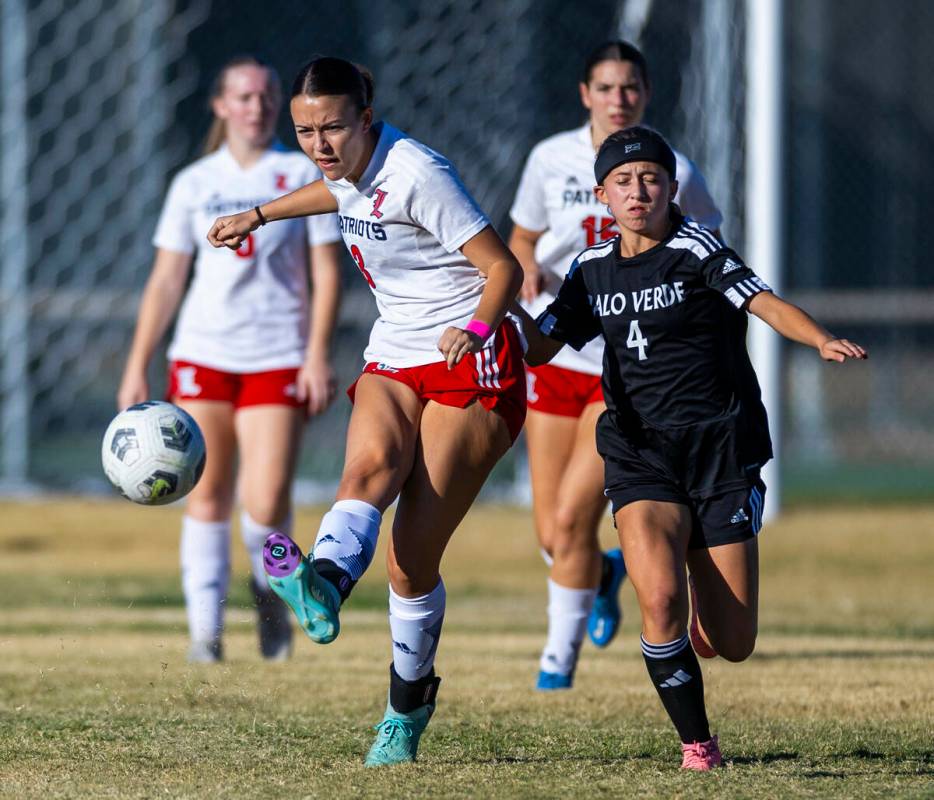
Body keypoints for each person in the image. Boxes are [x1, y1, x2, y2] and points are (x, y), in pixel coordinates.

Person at [206, 56, 526, 767]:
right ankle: (322, 587)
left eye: (333, 129)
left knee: (410, 560)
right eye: (305, 131)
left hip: (471, 361)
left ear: (367, 122)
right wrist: (256, 214)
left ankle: (405, 712)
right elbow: (336, 194)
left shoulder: (418, 172)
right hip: (395, 353)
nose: (320, 144)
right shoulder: (342, 168)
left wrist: (472, 331)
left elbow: (504, 268)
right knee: (367, 470)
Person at [518, 125, 866, 769]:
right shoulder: (590, 269)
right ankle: (697, 744)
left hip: (718, 453)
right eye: (623, 181)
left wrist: (816, 339)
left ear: (672, 187)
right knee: (659, 601)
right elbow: (543, 342)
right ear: (601, 195)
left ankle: (708, 609)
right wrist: (498, 320)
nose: (638, 190)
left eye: (650, 178)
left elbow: (761, 301)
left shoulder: (697, 248)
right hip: (638, 452)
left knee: (734, 642)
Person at [508, 41, 723, 690]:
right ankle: (602, 575)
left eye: (630, 87)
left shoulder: (673, 167)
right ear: (585, 95)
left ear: (646, 93)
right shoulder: (550, 158)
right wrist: (528, 270)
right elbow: (521, 238)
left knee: (575, 516)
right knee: (552, 530)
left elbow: (707, 247)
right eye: (605, 87)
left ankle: (556, 661)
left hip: (628, 369)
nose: (618, 98)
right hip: (556, 352)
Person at [117, 56, 343, 664]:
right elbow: (167, 279)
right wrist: (138, 363)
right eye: (243, 96)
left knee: (265, 503)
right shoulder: (194, 181)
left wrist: (316, 355)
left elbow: (326, 273)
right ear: (220, 105)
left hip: (276, 354)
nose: (256, 105)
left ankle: (270, 601)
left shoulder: (300, 171)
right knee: (205, 493)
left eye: (267, 95)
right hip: (203, 353)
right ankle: (205, 635)